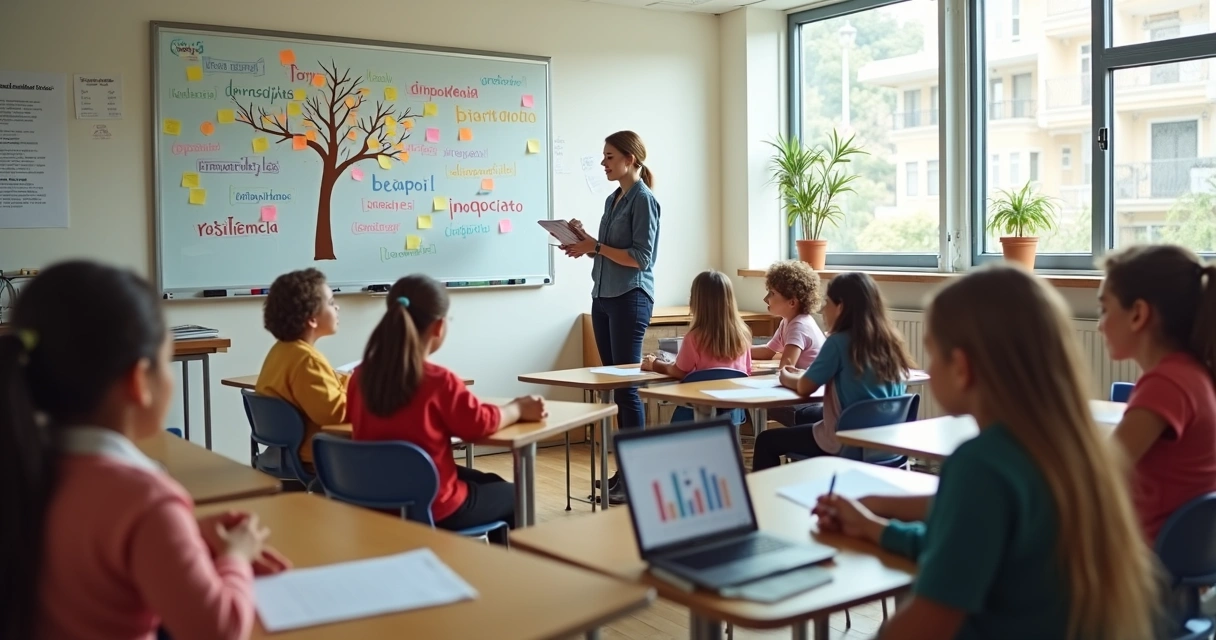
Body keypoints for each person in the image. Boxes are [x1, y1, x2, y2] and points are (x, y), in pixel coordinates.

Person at [814, 265, 1160, 640]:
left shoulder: (980, 465)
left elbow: (928, 621)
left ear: (962, 367)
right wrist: (873, 527)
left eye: (932, 352)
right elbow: (965, 549)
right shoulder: (1073, 449)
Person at [0, 260, 287, 640]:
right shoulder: (145, 499)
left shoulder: (21, 469)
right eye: (165, 363)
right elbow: (218, 630)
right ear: (139, 380)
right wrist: (237, 556)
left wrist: (183, 535)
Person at [347, 274, 547, 543]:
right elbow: (479, 424)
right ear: (439, 326)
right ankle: (506, 568)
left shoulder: (359, 377)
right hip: (434, 506)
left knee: (491, 482)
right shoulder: (438, 381)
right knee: (516, 495)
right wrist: (518, 409)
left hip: (373, 498)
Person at [554, 130, 661, 497]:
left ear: (630, 159)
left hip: (630, 297)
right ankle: (624, 474)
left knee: (626, 389)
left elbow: (641, 258)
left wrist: (596, 246)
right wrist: (583, 242)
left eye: (610, 156)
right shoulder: (613, 199)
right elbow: (607, 250)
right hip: (602, 296)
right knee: (616, 387)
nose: (603, 162)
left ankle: (635, 479)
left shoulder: (644, 200)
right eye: (603, 156)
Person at [1098, 244, 1216, 543]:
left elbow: (1102, 473)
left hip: (1148, 558)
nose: (1100, 325)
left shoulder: (1166, 383)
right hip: (1184, 555)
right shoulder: (1191, 372)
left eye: (1105, 309)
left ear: (1138, 314)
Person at [751, 272, 913, 470]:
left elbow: (804, 387)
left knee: (766, 440)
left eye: (827, 302)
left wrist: (785, 376)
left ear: (840, 307)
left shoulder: (838, 342)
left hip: (846, 441)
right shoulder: (890, 343)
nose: (822, 309)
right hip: (886, 443)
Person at [255, 268, 348, 471]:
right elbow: (335, 414)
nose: (337, 307)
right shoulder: (308, 360)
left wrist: (348, 380)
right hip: (313, 457)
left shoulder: (283, 350)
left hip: (282, 454)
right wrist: (360, 391)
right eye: (331, 303)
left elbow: (321, 391)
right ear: (312, 319)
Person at [750, 260, 827, 426]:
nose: (766, 299)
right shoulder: (788, 321)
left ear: (792, 302)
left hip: (810, 401)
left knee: (754, 402)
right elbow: (768, 351)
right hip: (802, 392)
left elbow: (786, 367)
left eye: (772, 293)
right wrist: (736, 352)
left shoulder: (799, 325)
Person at [642, 270, 752, 379]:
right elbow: (747, 370)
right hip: (736, 390)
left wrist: (655, 364)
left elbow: (679, 371)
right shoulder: (743, 335)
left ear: (695, 302)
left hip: (704, 391)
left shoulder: (694, 338)